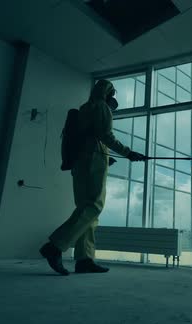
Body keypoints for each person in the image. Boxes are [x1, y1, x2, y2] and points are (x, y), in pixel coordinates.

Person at [39, 79, 146, 275]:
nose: (112, 101)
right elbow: (106, 136)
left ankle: (84, 259)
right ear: (107, 93)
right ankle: (55, 245)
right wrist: (129, 153)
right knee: (94, 206)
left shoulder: (85, 108)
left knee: (86, 210)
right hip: (92, 160)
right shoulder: (102, 107)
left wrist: (106, 157)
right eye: (112, 96)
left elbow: (90, 137)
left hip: (81, 161)